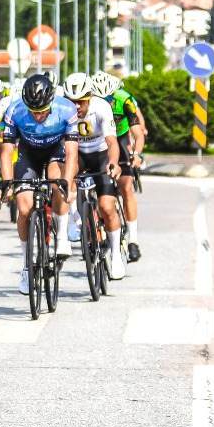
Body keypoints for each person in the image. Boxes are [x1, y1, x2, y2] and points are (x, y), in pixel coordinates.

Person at [0, 73, 79, 295]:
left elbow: (72, 153)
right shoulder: (15, 111)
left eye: (43, 111)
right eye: (34, 112)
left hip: (55, 152)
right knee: (24, 208)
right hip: (28, 154)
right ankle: (26, 264)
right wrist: (6, 182)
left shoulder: (67, 110)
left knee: (57, 180)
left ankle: (61, 236)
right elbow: (6, 151)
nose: (39, 116)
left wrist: (67, 182)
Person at [62, 72, 125, 279]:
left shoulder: (101, 108)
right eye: (72, 102)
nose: (77, 107)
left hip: (100, 154)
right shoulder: (64, 111)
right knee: (67, 174)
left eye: (81, 102)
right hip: (77, 154)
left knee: (107, 207)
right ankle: (73, 218)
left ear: (89, 97)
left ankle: (116, 253)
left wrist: (114, 163)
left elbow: (112, 143)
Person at [95, 71, 147, 263]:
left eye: (108, 98)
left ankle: (133, 240)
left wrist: (137, 154)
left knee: (125, 186)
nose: (105, 103)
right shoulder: (89, 103)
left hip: (121, 138)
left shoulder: (124, 100)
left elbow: (138, 134)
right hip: (99, 141)